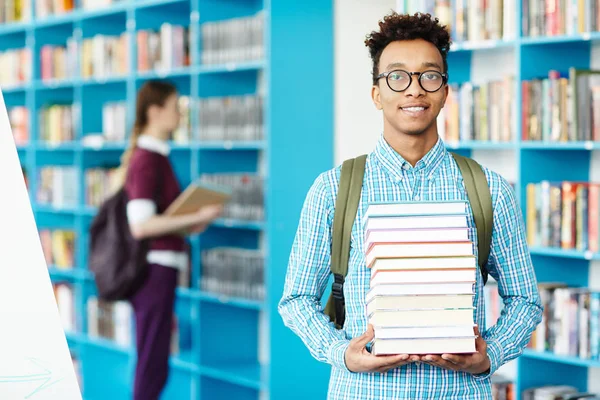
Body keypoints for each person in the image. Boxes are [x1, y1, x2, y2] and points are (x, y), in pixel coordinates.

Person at [278, 11, 543, 399]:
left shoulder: (491, 191)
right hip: (363, 391)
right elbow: (296, 299)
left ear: (446, 91)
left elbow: (525, 300)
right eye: (397, 76)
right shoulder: (333, 190)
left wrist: (490, 355)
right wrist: (342, 354)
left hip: (460, 392)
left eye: (429, 76)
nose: (414, 90)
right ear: (376, 93)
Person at [119, 80, 222, 400]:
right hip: (153, 271)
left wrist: (191, 222)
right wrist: (195, 218)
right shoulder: (146, 160)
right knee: (152, 362)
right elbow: (141, 225)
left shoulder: (157, 157)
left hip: (161, 269)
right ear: (155, 111)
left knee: (156, 360)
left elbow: (159, 218)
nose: (180, 115)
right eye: (175, 108)